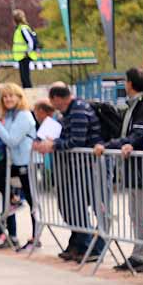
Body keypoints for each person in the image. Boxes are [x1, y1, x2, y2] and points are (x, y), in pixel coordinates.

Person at [92, 67, 143, 273]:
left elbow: (138, 135)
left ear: (130, 83)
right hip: (134, 169)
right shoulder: (134, 105)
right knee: (135, 213)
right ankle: (138, 253)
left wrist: (111, 145)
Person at [34, 83, 104, 261]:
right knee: (71, 208)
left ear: (57, 99)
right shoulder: (65, 114)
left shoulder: (79, 110)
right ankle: (81, 244)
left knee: (80, 207)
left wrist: (54, 145)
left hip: (84, 167)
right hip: (71, 168)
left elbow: (77, 141)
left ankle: (90, 246)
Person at [0, 82, 37, 248]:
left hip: (27, 163)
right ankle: (13, 198)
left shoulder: (24, 116)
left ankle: (36, 237)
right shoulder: (10, 116)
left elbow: (12, 140)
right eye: (4, 96)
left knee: (32, 202)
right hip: (14, 162)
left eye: (11, 95)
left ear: (19, 97)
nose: (7, 99)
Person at [11, 10, 39, 89]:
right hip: (21, 56)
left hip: (24, 56)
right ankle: (26, 90)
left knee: (25, 77)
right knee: (23, 77)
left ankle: (28, 92)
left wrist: (28, 52)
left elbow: (30, 41)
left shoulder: (23, 28)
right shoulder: (20, 28)